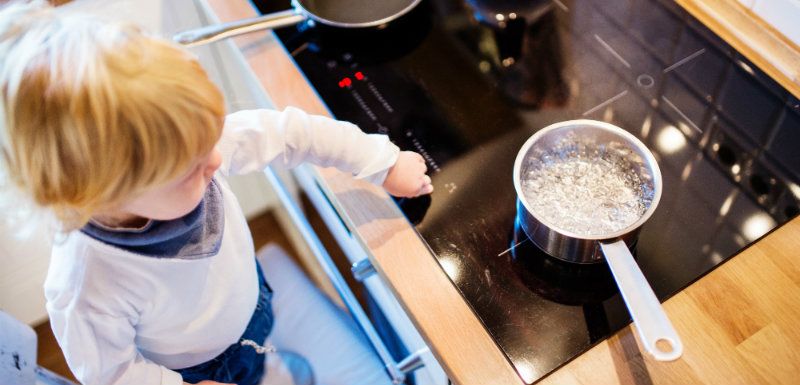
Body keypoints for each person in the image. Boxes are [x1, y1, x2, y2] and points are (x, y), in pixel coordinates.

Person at [0, 1, 433, 385]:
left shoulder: (189, 147)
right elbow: (110, 373)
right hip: (199, 369)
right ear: (97, 193)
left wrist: (381, 162)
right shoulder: (85, 283)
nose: (216, 160)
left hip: (249, 300)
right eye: (190, 169)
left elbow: (291, 132)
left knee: (260, 354)